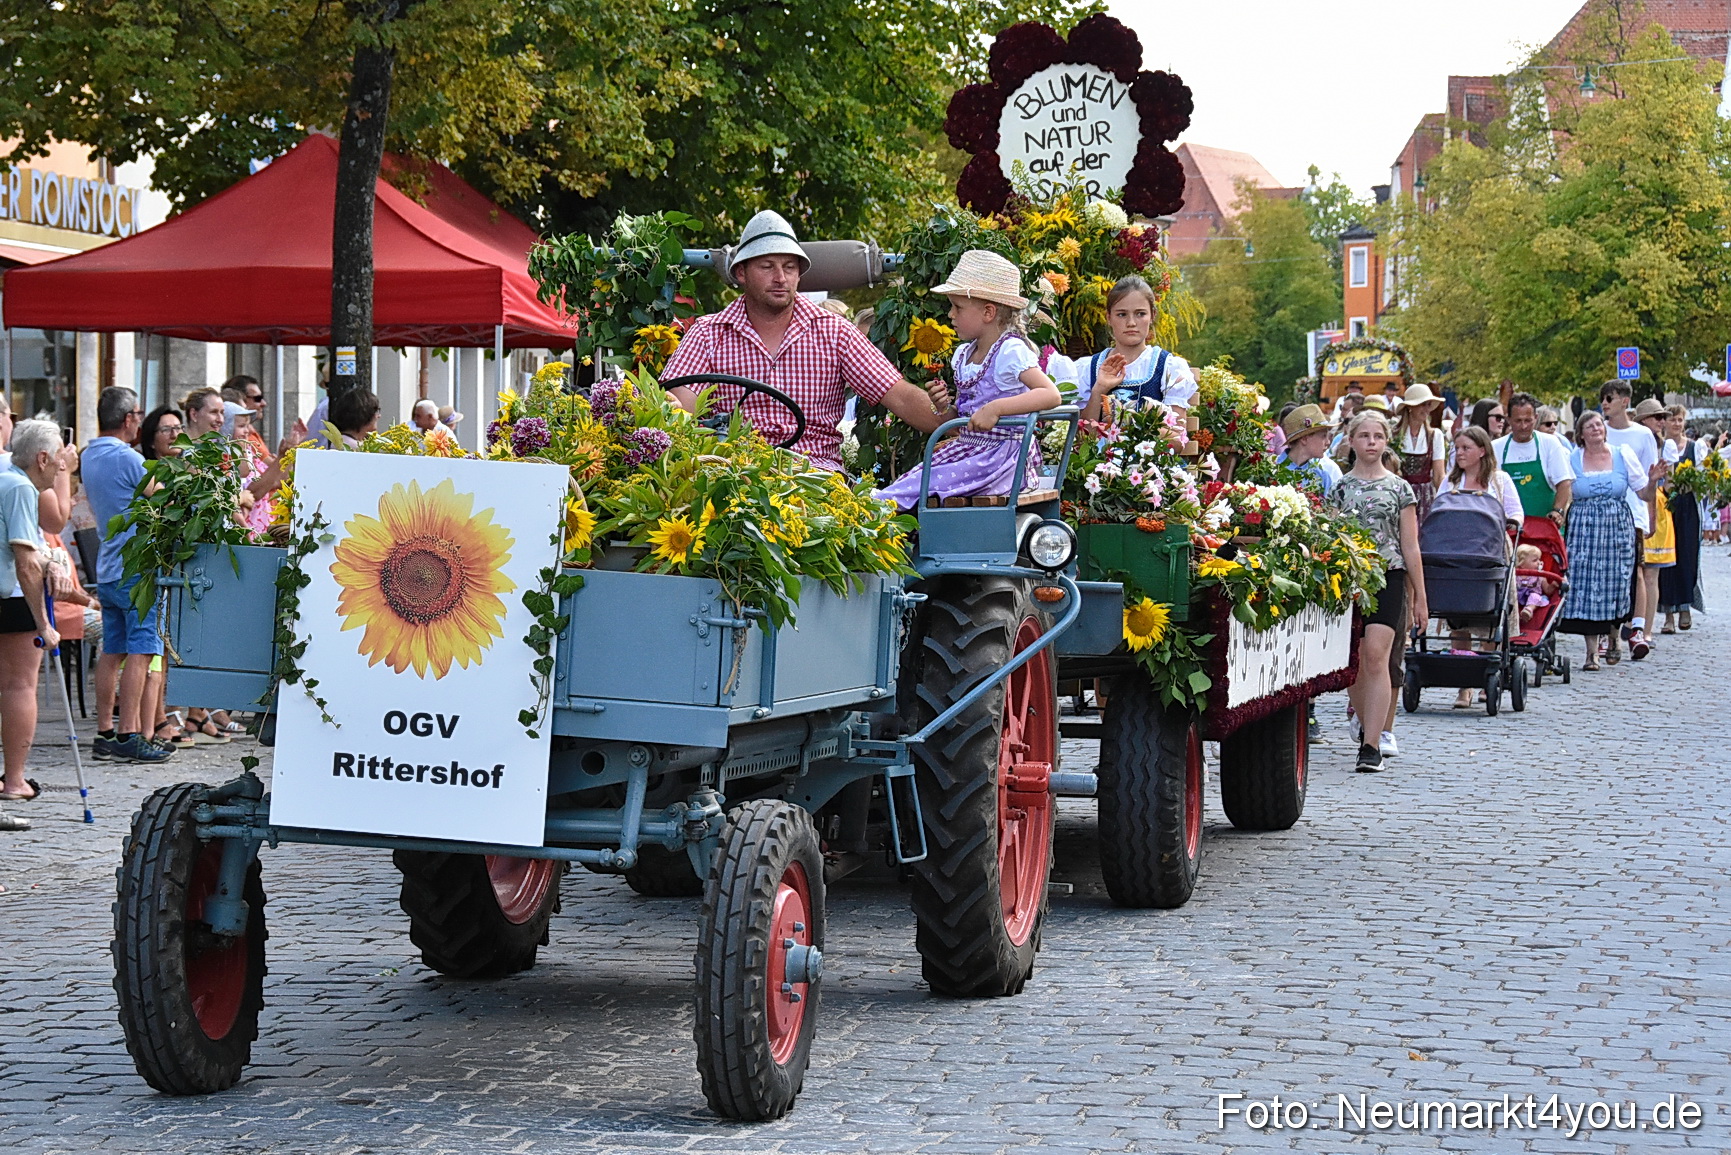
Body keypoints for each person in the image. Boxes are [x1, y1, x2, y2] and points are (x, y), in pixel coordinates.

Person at [663, 210, 944, 471]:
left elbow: (901, 397)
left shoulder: (836, 332)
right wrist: (669, 409)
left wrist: (956, 422)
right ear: (741, 273)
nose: (780, 278)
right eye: (766, 266)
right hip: (733, 474)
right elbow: (678, 407)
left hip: (815, 476)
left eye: (789, 267)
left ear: (800, 273)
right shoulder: (707, 333)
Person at [873, 251, 1061, 509]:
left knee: (923, 484)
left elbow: (1050, 394)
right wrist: (943, 408)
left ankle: (876, 511)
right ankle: (883, 514)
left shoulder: (1010, 351)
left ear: (988, 312)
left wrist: (996, 408)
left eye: (957, 307)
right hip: (972, 451)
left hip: (1001, 459)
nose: (950, 314)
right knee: (916, 479)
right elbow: (962, 424)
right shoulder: (964, 354)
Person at [1328, 411, 1427, 774]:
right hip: (1351, 577)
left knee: (1376, 655)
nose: (1372, 442)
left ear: (1386, 443)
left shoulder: (1400, 488)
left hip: (1389, 575)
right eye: (1364, 436)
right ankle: (1363, 716)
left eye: (1378, 436)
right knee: (1353, 659)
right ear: (1352, 441)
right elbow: (1331, 537)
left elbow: (1411, 546)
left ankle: (1372, 745)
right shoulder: (1340, 488)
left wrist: (1420, 599)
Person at [83, 389, 173, 764]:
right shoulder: (127, 458)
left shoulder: (89, 454)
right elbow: (163, 494)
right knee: (142, 648)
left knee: (113, 649)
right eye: (137, 413)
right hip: (136, 566)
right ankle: (129, 733)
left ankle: (105, 730)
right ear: (128, 419)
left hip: (108, 564)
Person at [0, 421, 71, 811]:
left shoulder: (3, 474)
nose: (63, 464)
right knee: (18, 686)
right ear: (42, 457)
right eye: (60, 455)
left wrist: (51, 559)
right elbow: (25, 562)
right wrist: (44, 624)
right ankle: (14, 780)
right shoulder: (21, 488)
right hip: (8, 596)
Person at [1435, 425, 1522, 707]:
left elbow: (1516, 513)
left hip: (1490, 553)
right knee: (1458, 617)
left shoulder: (1499, 480)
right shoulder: (1451, 482)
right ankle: (1463, 683)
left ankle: (1486, 674)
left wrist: (1509, 523)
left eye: (1465, 448)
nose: (1459, 453)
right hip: (1455, 554)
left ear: (1482, 451)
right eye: (1457, 449)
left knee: (1490, 617)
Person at [1556, 410, 1646, 671]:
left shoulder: (1622, 454)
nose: (1596, 428)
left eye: (1599, 424)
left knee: (1617, 582)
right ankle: (1591, 653)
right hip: (1584, 528)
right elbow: (1563, 490)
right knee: (1587, 586)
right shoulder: (1572, 458)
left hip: (1617, 526)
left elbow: (1644, 492)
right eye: (1590, 425)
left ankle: (1615, 635)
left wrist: (1653, 480)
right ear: (1581, 434)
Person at [1052, 275, 1198, 419]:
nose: (1131, 323)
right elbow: (1082, 437)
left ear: (1152, 315)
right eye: (1122, 314)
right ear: (1109, 317)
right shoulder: (1087, 368)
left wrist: (1127, 424)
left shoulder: (1168, 367)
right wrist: (1099, 390)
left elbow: (1177, 438)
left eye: (1140, 314)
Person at [1599, 383, 1659, 660]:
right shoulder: (1599, 429)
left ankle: (1637, 628)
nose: (1605, 403)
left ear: (1625, 401)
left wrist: (1652, 516)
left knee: (1636, 569)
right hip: (1604, 510)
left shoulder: (1642, 434)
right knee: (1605, 571)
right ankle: (1604, 629)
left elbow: (1650, 479)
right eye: (1602, 399)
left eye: (1609, 398)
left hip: (1633, 509)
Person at [1492, 392, 1573, 525]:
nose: (1523, 426)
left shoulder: (1550, 443)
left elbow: (1564, 482)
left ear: (1535, 418)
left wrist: (1558, 511)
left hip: (1544, 526)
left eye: (1528, 421)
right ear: (1508, 419)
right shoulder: (1496, 447)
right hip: (1509, 527)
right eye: (1518, 421)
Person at [1657, 405, 1702, 634]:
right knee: (1666, 558)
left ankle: (1685, 608)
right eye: (1672, 420)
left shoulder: (1694, 447)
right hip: (1665, 504)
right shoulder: (1660, 447)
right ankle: (1668, 615)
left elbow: (1703, 479)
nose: (1676, 424)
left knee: (1687, 557)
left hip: (1687, 507)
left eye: (1680, 420)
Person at [1393, 383, 1446, 523]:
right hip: (1399, 493)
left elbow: (1439, 475)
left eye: (1428, 405)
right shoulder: (1394, 434)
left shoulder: (1435, 435)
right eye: (1422, 404)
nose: (1427, 409)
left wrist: (1443, 503)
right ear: (1410, 407)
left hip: (1425, 496)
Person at [1275, 404, 1341, 495]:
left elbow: (1331, 508)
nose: (1328, 442)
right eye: (1323, 436)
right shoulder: (1273, 469)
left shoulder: (1322, 476)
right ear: (1304, 439)